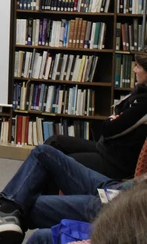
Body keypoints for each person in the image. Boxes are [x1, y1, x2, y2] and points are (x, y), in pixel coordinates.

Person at [0, 144, 141, 244]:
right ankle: (7, 211)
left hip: (124, 204)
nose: (134, 69)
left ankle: (6, 211)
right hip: (122, 188)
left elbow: (112, 129)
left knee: (27, 205)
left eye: (139, 68)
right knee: (44, 152)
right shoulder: (138, 95)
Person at [44, 47, 147, 180]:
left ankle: (33, 197)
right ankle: (24, 195)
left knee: (57, 162)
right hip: (106, 149)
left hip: (115, 163)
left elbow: (109, 129)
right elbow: (117, 114)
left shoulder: (143, 102)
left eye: (138, 67)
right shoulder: (140, 92)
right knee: (54, 142)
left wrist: (112, 120)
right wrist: (114, 118)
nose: (134, 70)